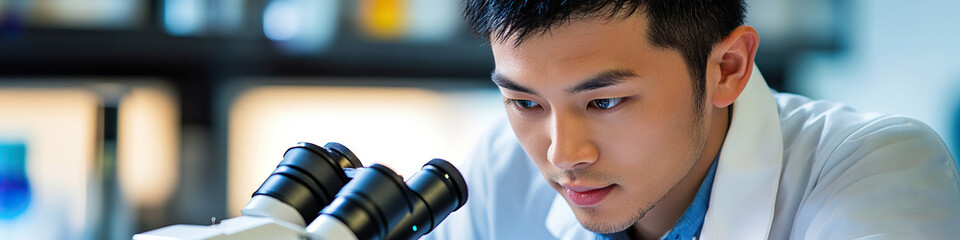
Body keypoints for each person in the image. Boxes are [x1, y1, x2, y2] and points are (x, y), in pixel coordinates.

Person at [426, 0, 960, 239]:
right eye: (526, 103)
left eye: (605, 101)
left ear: (727, 69)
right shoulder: (500, 169)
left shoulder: (875, 168)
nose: (563, 155)